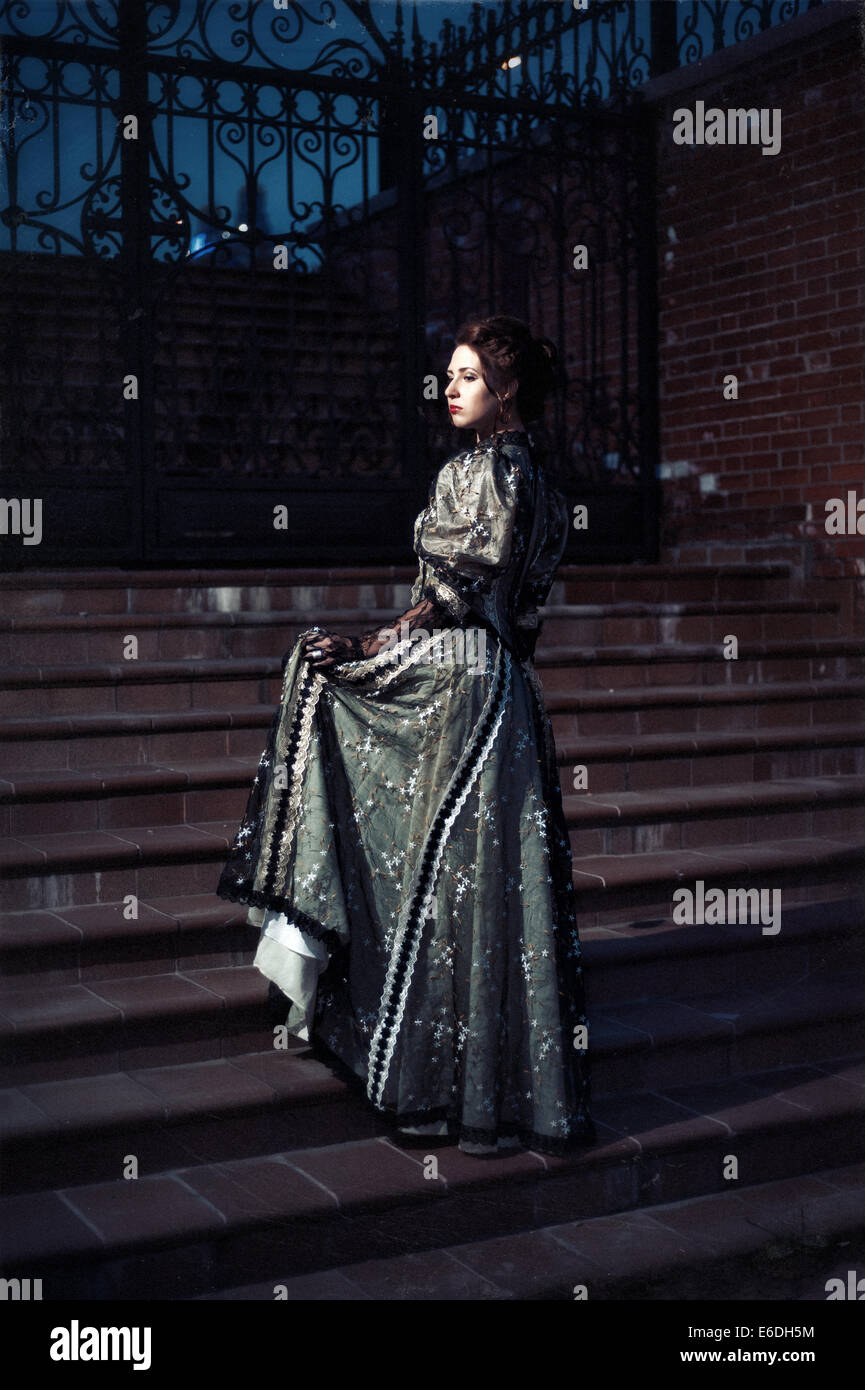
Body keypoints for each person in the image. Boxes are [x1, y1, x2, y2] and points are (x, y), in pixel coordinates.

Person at [217, 314, 594, 1157]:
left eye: (466, 377)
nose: (449, 389)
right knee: (482, 886)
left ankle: (429, 1088)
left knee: (437, 873)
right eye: (448, 375)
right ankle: (491, 1098)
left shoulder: (478, 469)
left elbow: (455, 594)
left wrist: (370, 645)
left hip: (458, 682)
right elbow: (515, 612)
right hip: (513, 696)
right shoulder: (548, 488)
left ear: (506, 392)